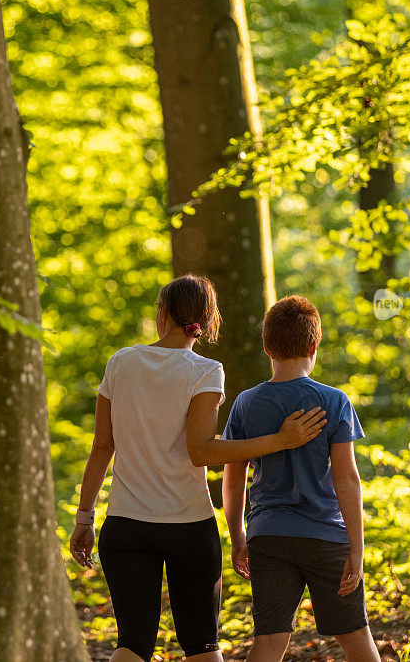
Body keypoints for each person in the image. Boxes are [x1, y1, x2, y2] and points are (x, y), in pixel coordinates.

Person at [68, 274, 327, 662]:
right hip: (188, 526)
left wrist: (84, 518)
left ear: (163, 314)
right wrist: (280, 441)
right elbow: (201, 451)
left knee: (131, 645)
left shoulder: (121, 362)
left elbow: (102, 447)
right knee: (202, 647)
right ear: (205, 321)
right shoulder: (206, 370)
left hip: (125, 524)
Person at [222, 295, 380, 662]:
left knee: (268, 641)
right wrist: (356, 548)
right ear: (314, 345)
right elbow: (347, 480)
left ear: (266, 346)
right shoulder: (334, 401)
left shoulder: (246, 403)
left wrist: (238, 538)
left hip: (268, 534)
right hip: (326, 536)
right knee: (356, 637)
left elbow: (233, 480)